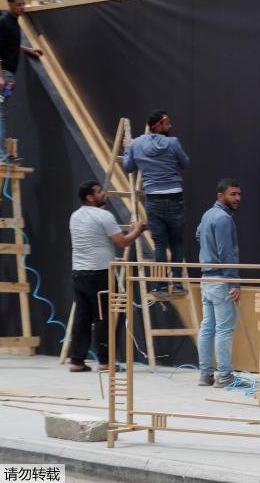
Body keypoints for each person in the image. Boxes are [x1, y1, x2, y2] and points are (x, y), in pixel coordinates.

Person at [68, 180, 146, 372]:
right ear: (90, 197)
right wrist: (138, 229)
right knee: (108, 316)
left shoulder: (75, 216)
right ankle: (105, 362)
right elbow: (123, 242)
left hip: (79, 273)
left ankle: (77, 361)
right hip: (100, 273)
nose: (104, 193)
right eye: (99, 192)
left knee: (82, 318)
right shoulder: (104, 216)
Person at [123, 110, 190, 295]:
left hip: (154, 199)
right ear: (158, 126)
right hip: (175, 197)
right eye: (167, 123)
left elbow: (128, 167)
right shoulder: (173, 142)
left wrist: (128, 148)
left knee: (160, 244)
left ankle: (161, 286)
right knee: (176, 243)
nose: (171, 126)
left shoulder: (137, 144)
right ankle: (177, 285)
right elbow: (186, 163)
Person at [196, 178, 250, 389]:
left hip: (206, 278)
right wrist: (233, 282)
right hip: (220, 280)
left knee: (207, 327)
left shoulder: (208, 214)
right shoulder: (224, 219)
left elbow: (198, 235)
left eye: (239, 194)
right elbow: (227, 253)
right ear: (221, 196)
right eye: (233, 194)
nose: (237, 198)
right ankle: (225, 376)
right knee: (224, 329)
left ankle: (205, 375)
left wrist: (208, 251)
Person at [0, 0, 43, 164]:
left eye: (23, 4)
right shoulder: (3, 22)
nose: (22, 7)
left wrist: (27, 49)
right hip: (1, 76)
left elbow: (10, 44)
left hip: (7, 77)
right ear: (10, 4)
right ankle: (1, 154)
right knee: (0, 113)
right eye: (18, 4)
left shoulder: (15, 22)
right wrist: (0, 76)